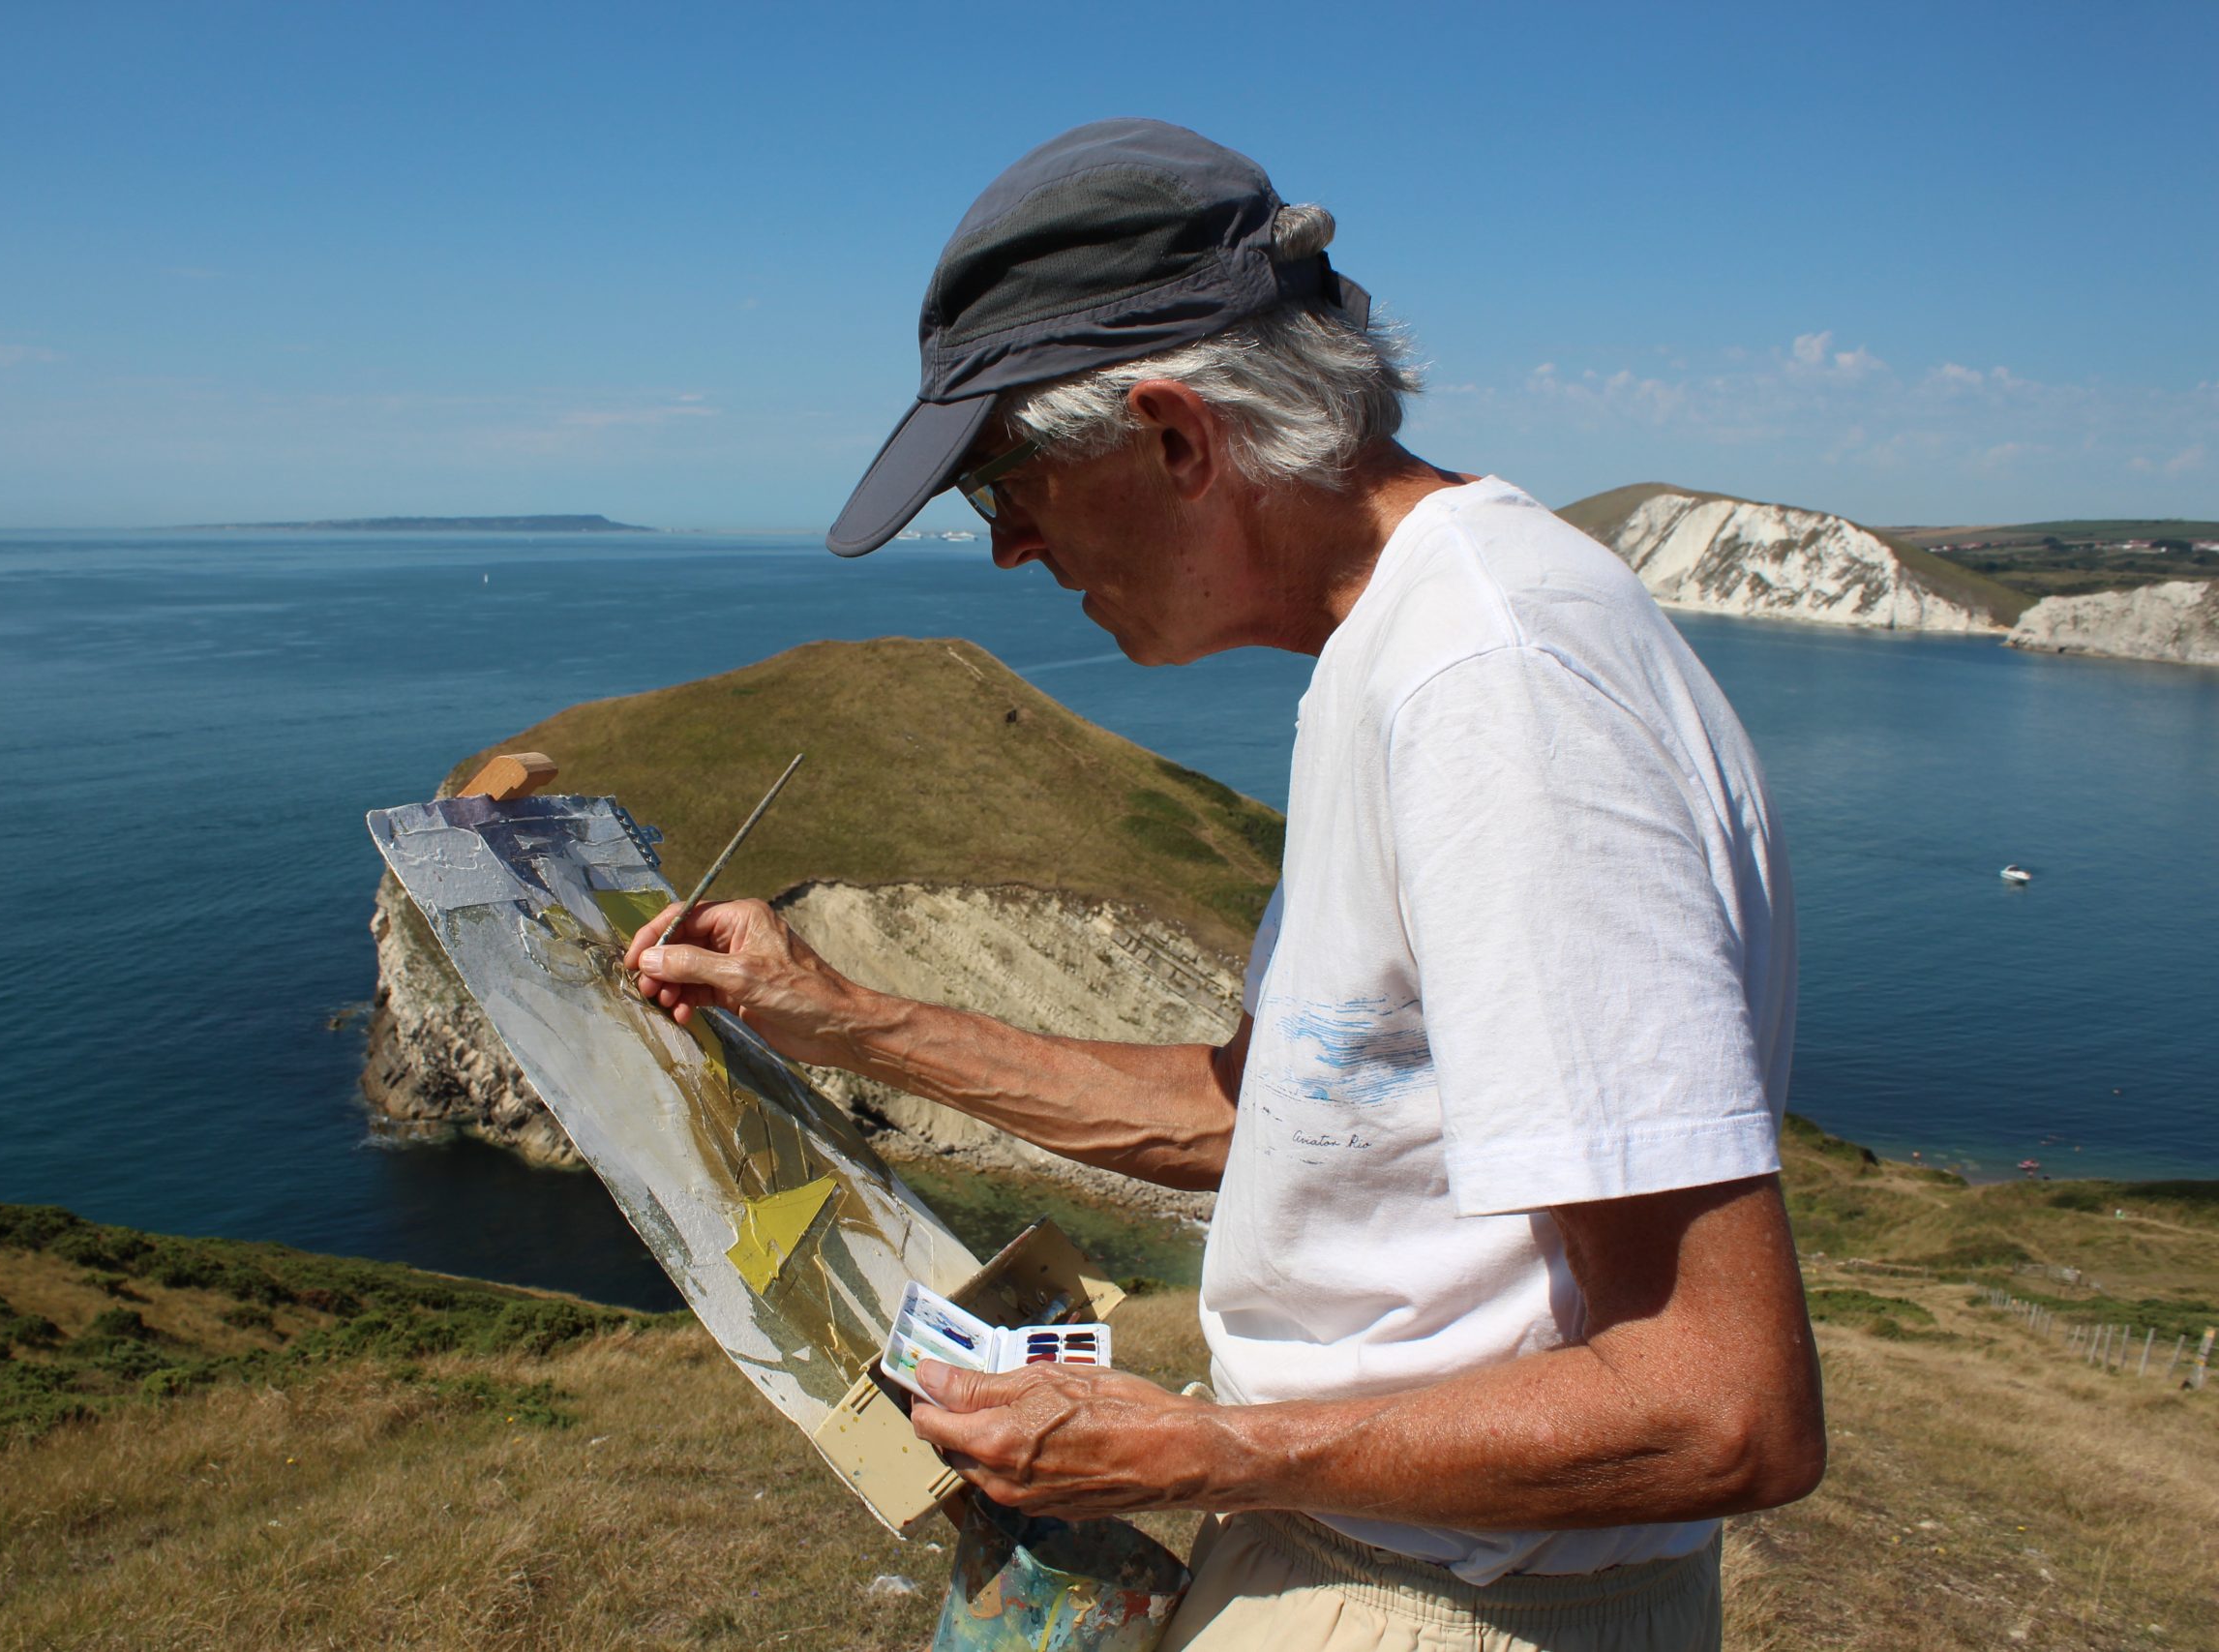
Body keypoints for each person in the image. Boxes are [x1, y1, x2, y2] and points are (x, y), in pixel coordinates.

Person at [625, 118, 1821, 1651]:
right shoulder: (1407, 645)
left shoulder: (1493, 686)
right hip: (1384, 1559)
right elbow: (1270, 1119)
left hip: (1446, 1601)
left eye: (1005, 482)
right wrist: (837, 1018)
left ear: (1178, 437)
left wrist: (1198, 1449)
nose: (1005, 549)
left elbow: (1724, 1404)